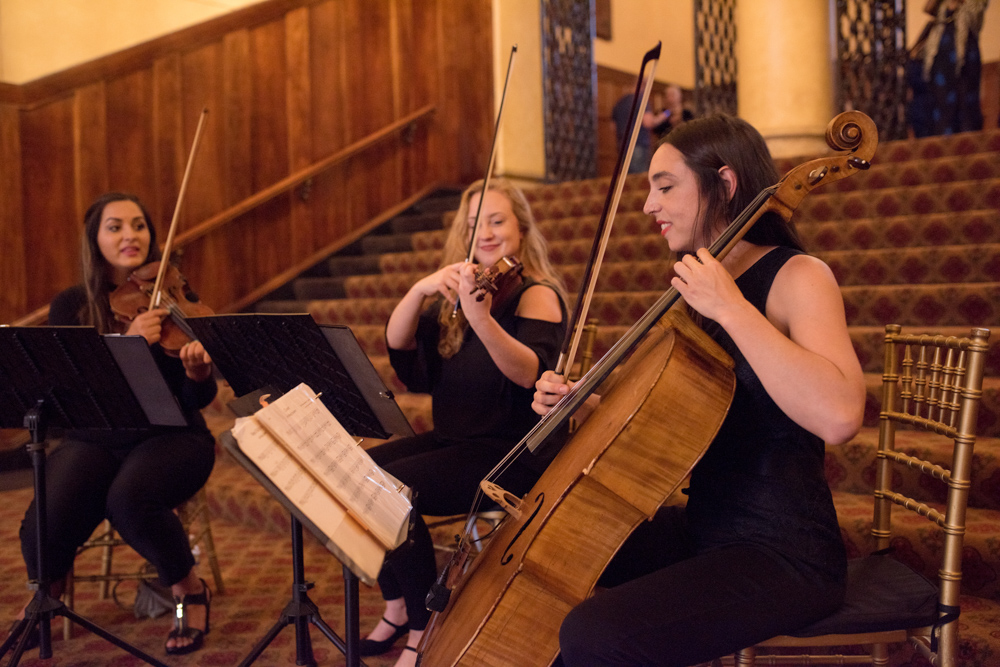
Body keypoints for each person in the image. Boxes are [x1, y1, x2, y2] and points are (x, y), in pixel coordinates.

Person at [533, 115, 866, 666]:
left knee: (596, 634)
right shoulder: (699, 288)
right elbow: (679, 425)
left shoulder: (798, 276)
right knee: (560, 546)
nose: (648, 205)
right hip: (707, 525)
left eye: (665, 186)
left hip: (783, 551)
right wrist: (585, 404)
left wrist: (731, 308)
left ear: (725, 183)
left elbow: (840, 416)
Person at [363, 178, 567, 667]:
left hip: (508, 451)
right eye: (476, 225)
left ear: (521, 226)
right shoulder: (462, 296)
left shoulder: (536, 294)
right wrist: (420, 289)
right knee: (357, 472)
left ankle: (422, 625)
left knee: (394, 489)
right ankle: (395, 605)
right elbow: (404, 357)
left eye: (497, 221)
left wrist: (480, 318)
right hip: (454, 440)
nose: (487, 233)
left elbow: (531, 373)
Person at [14, 192, 217, 656]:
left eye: (139, 225)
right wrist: (123, 346)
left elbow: (198, 399)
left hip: (173, 436)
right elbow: (72, 393)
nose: (130, 235)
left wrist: (198, 374)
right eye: (115, 226)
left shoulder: (173, 295)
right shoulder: (72, 306)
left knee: (130, 500)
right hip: (97, 436)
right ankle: (47, 596)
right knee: (45, 515)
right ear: (95, 239)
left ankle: (189, 588)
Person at [910, 0, 989, 136]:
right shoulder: (941, 8)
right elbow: (928, 8)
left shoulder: (972, 7)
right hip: (941, 63)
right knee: (941, 107)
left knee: (966, 106)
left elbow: (977, 15)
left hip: (966, 60)